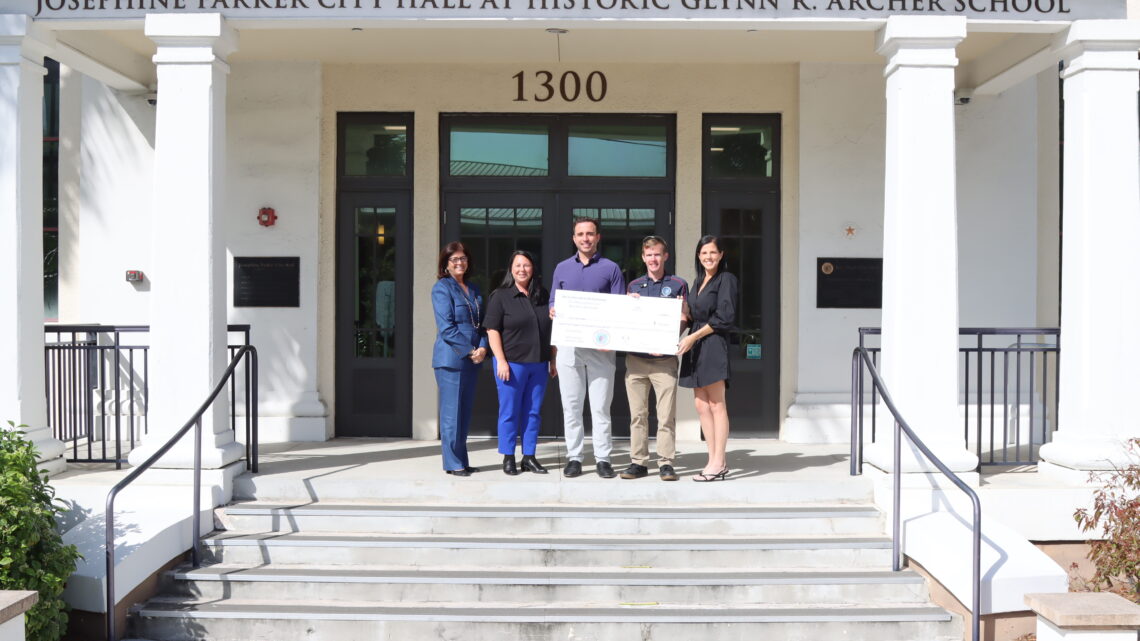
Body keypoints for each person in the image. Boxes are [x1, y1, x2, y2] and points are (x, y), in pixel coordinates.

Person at [550, 217, 626, 478]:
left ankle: (603, 458)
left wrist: (612, 339)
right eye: (580, 234)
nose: (585, 238)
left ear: (598, 237)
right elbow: (554, 301)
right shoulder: (561, 268)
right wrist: (553, 310)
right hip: (569, 346)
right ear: (574, 238)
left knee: (600, 407)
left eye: (590, 234)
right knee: (571, 406)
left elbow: (619, 308)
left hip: (601, 349)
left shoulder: (611, 268)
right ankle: (574, 457)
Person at [620, 236, 689, 482]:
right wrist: (628, 306)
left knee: (665, 415)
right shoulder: (634, 286)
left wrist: (669, 338)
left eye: (657, 254)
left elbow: (684, 318)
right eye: (649, 255)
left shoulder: (678, 284)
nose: (653, 259)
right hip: (636, 361)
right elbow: (624, 320)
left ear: (665, 256)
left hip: (664, 361)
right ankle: (638, 462)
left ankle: (666, 463)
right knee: (637, 414)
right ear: (643, 257)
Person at [485, 251, 557, 476]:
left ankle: (529, 457)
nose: (522, 269)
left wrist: (553, 359)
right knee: (509, 412)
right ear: (511, 269)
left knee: (533, 412)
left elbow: (552, 329)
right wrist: (501, 361)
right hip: (511, 365)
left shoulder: (542, 295)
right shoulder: (500, 296)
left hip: (539, 363)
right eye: (517, 265)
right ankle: (508, 457)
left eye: (526, 265)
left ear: (533, 268)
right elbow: (492, 330)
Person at [677, 235, 738, 482]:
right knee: (701, 406)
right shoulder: (699, 281)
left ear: (721, 254)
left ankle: (719, 462)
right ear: (698, 256)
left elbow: (724, 317)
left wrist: (693, 337)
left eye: (713, 252)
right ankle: (711, 459)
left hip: (712, 343)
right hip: (696, 346)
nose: (708, 257)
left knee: (716, 404)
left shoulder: (727, 279)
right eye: (704, 253)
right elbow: (693, 315)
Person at [431, 242, 488, 476]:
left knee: (463, 413)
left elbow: (482, 324)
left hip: (473, 358)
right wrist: (470, 350)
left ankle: (462, 460)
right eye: (454, 259)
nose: (459, 263)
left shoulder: (473, 288)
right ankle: (453, 463)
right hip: (452, 359)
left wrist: (483, 347)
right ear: (445, 264)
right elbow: (446, 328)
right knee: (451, 414)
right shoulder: (442, 288)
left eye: (463, 258)